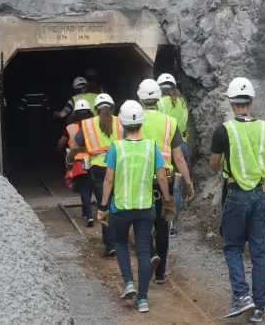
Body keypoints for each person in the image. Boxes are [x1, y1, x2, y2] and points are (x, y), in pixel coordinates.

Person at [210, 77, 265, 322]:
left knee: (232, 247)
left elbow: (214, 164)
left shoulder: (225, 130)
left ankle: (242, 296)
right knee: (259, 252)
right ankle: (260, 307)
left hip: (237, 195)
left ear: (231, 103)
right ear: (251, 101)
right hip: (262, 194)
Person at [97, 100, 176, 313]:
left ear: (121, 124)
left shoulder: (116, 147)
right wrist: (167, 200)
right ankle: (142, 299)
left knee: (121, 242)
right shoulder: (151, 147)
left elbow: (108, 180)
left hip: (120, 208)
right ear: (141, 123)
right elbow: (161, 176)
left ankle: (128, 282)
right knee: (143, 250)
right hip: (145, 208)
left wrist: (103, 206)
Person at [137, 79, 195, 284]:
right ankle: (161, 272)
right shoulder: (170, 123)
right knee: (162, 224)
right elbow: (178, 157)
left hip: (141, 180)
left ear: (140, 99)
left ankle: (151, 253)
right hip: (165, 180)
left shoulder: (135, 120)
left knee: (141, 222)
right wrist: (187, 182)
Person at [67, 93, 121, 256]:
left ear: (95, 110)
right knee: (118, 205)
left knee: (104, 205)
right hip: (118, 166)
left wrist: (70, 159)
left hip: (98, 168)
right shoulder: (120, 122)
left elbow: (76, 146)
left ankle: (110, 245)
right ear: (112, 108)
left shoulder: (88, 125)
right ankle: (121, 240)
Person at [156, 73, 189, 237]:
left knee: (159, 183)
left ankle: (159, 222)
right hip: (181, 145)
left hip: (164, 148)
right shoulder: (183, 102)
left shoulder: (159, 102)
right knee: (176, 187)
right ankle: (172, 226)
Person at [57, 100, 95, 226]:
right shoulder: (94, 125)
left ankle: (88, 215)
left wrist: (58, 149)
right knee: (90, 187)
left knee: (84, 188)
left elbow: (62, 142)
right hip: (93, 160)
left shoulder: (70, 128)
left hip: (78, 161)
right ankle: (88, 212)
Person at [18, 74, 51, 163]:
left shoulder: (27, 94)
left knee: (32, 137)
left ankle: (33, 157)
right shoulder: (42, 94)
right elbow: (48, 109)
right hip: (40, 119)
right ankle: (41, 157)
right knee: (41, 137)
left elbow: (21, 109)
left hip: (30, 120)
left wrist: (22, 122)